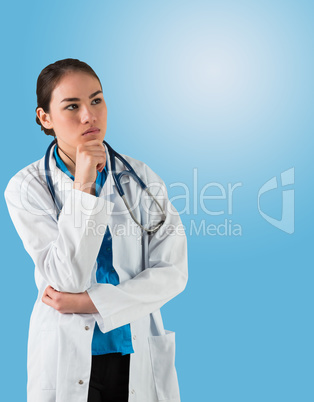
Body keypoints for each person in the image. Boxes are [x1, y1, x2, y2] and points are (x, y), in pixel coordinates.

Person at [4, 58, 188, 402]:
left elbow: (173, 273)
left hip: (134, 351)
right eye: (72, 106)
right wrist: (83, 186)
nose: (89, 116)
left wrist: (90, 302)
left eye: (96, 100)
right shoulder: (26, 187)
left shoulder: (140, 178)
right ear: (45, 117)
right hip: (67, 352)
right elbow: (66, 279)